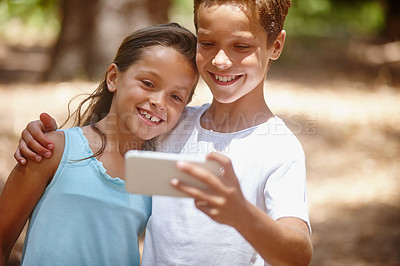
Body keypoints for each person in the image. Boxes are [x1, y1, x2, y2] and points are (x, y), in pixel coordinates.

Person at [12, 0, 313, 265]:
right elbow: (104, 151)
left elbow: (298, 254)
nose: (221, 60)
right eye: (207, 43)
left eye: (242, 46)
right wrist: (42, 141)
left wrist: (240, 213)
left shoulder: (279, 148)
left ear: (276, 45)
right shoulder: (172, 125)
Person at [0, 23, 199, 266]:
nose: (159, 102)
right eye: (148, 83)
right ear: (113, 78)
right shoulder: (52, 149)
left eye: (176, 97)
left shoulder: (158, 176)